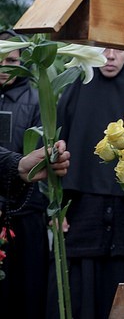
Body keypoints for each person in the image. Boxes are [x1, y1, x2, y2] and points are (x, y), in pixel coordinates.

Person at [50, 48, 124, 319]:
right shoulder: (73, 97)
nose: (110, 56)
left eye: (118, 49)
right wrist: (56, 208)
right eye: (103, 48)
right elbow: (52, 155)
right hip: (82, 216)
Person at [0, 30, 48, 318]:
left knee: (25, 291)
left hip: (24, 211)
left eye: (11, 60)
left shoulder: (36, 98)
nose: (4, 67)